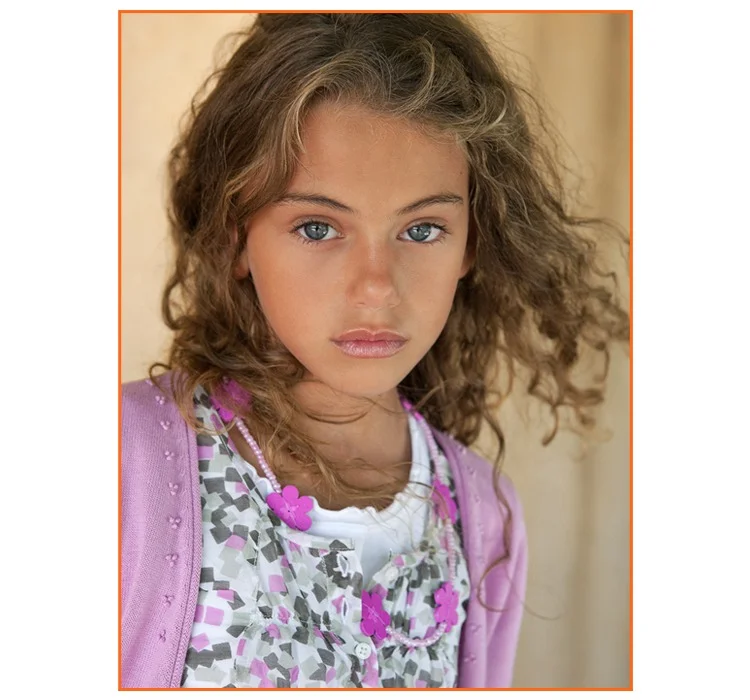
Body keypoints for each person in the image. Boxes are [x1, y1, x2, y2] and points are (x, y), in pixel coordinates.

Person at [121, 12, 629, 689]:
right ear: (234, 235)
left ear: (473, 242)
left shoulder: (484, 516)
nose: (376, 288)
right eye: (316, 227)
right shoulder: (125, 461)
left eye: (422, 229)